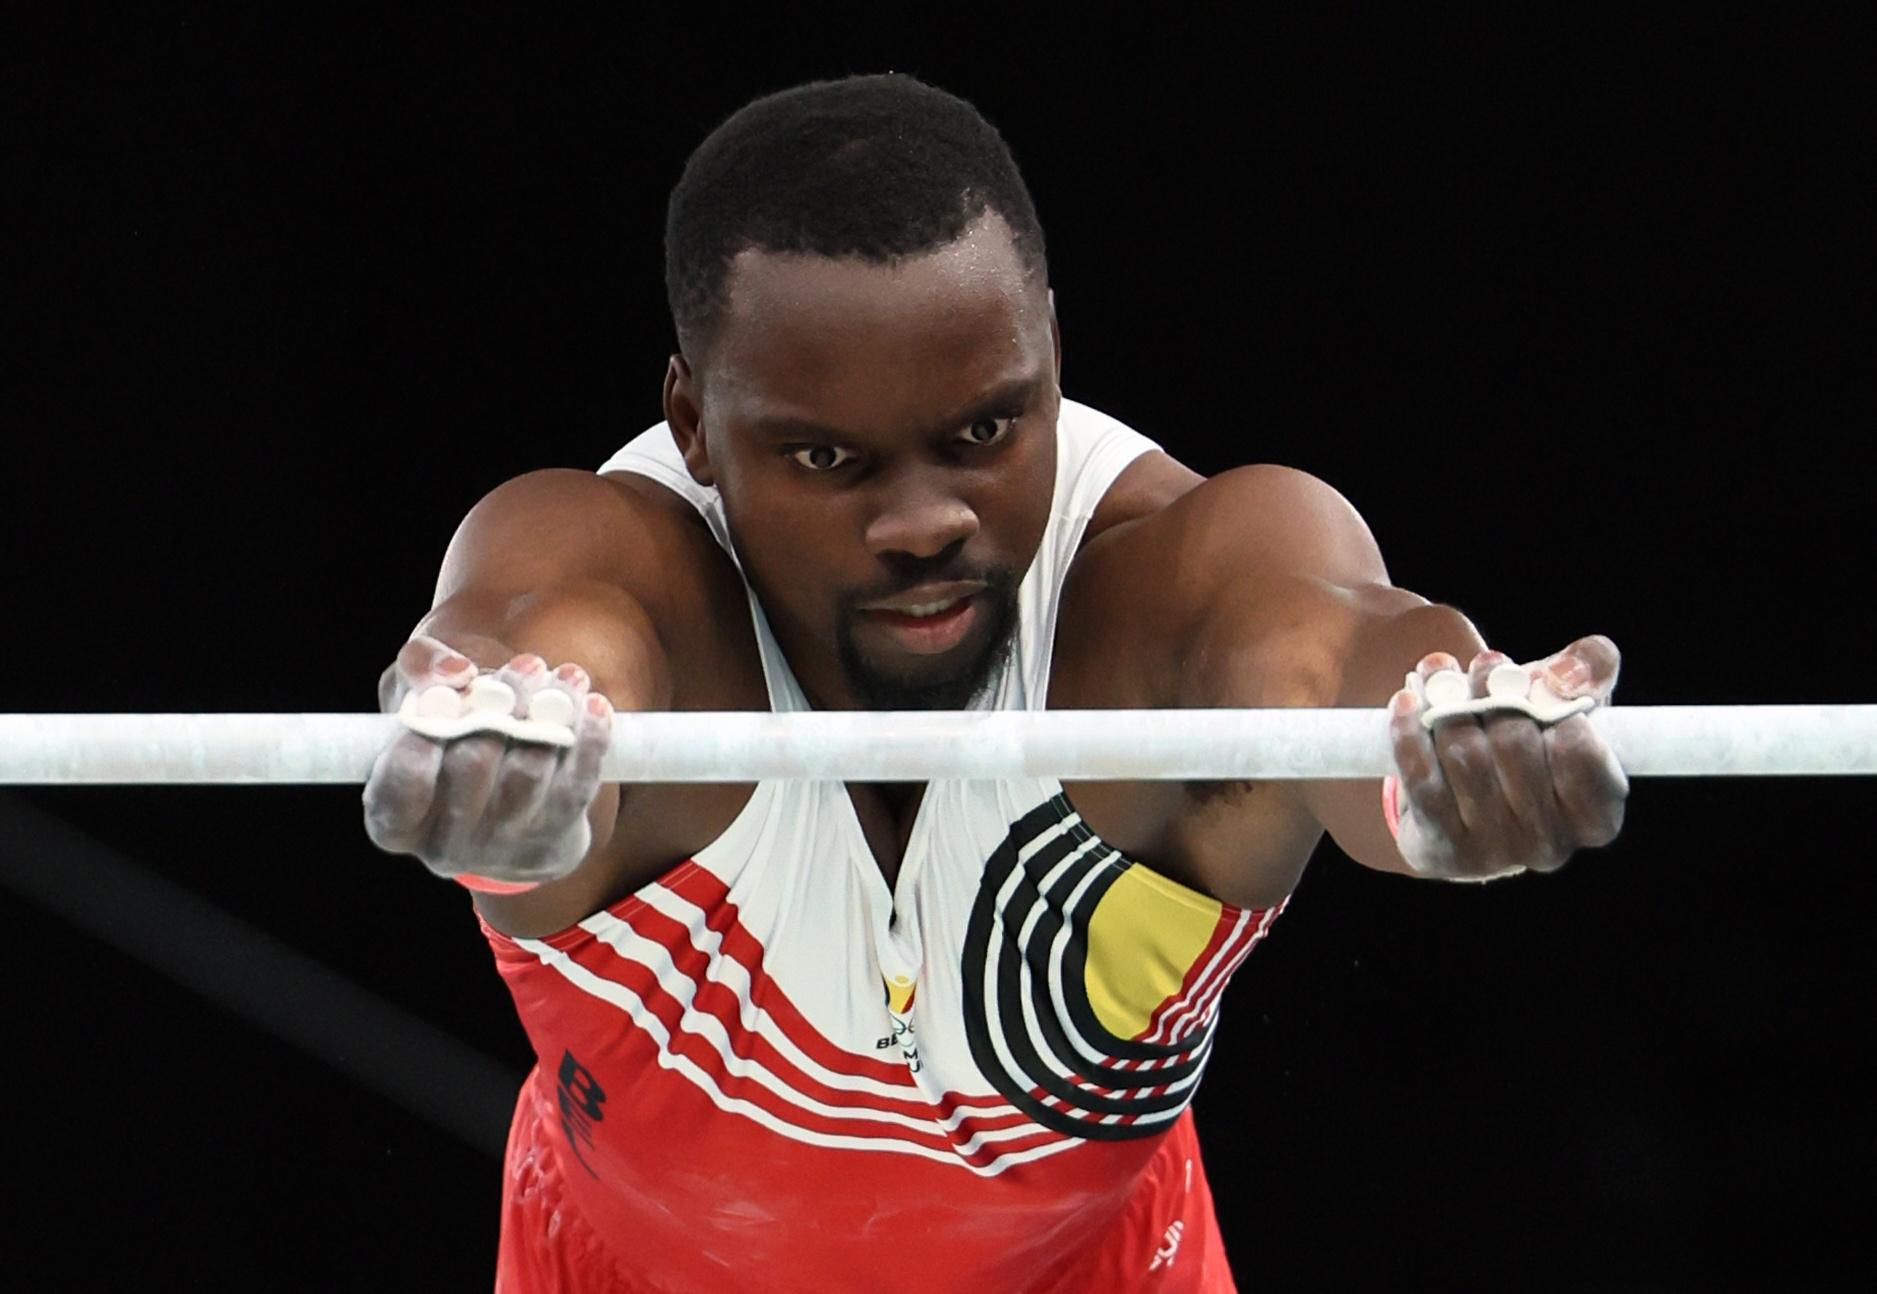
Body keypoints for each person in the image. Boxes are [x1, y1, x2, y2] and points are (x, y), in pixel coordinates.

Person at [362, 73, 1629, 1293]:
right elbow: (538, 640)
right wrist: (503, 761)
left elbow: (1331, 650)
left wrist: (1440, 755)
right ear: (692, 424)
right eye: (826, 456)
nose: (923, 522)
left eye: (982, 431)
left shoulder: (1170, 587)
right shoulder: (630, 582)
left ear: (1052, 355)